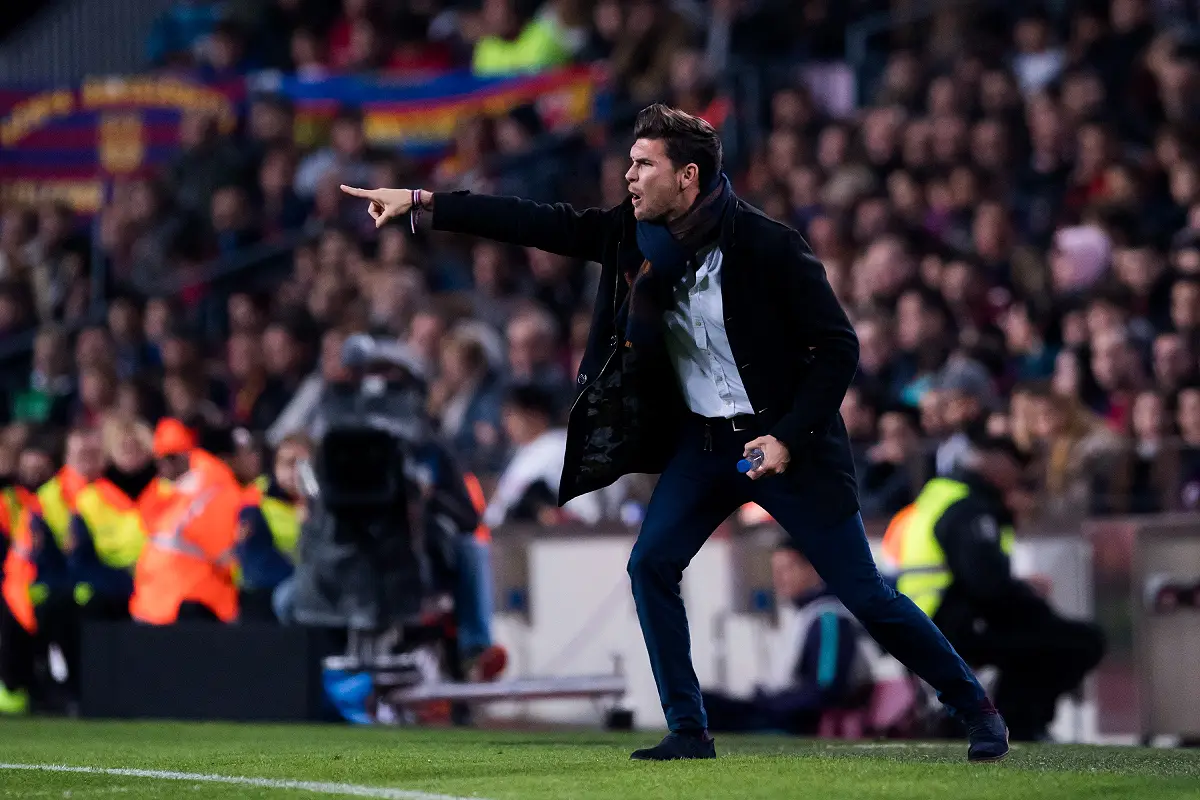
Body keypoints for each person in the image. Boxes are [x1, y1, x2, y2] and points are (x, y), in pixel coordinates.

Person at [340, 103, 1008, 763]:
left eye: (642, 165)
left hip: (785, 446)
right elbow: (531, 223)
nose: (627, 177)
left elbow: (839, 348)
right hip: (705, 444)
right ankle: (689, 729)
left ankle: (975, 707)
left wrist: (788, 438)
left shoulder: (771, 245)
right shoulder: (632, 234)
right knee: (650, 565)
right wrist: (423, 201)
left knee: (867, 595)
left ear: (687, 177)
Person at [894, 435, 1106, 741]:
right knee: (1078, 642)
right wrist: (1031, 600)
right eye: (1014, 464)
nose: (1018, 475)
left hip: (929, 621)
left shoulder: (942, 497)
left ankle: (1008, 722)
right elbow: (987, 586)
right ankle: (1019, 726)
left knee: (1036, 640)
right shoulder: (968, 507)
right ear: (990, 462)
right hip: (952, 624)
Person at [702, 538, 875, 735]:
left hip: (797, 720)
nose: (779, 578)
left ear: (813, 569)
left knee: (706, 707)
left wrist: (770, 704)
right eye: (776, 571)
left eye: (787, 569)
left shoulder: (829, 618)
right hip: (783, 709)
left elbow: (826, 689)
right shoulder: (804, 615)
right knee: (701, 700)